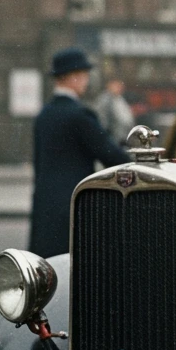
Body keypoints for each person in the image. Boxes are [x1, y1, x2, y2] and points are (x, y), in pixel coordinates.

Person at [30, 48, 128, 257]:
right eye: (84, 76)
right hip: (74, 202)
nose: (86, 82)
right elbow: (112, 156)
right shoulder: (80, 116)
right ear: (73, 77)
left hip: (45, 203)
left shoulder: (44, 115)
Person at [94, 77, 135, 144]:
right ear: (109, 85)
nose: (119, 88)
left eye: (120, 86)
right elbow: (102, 120)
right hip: (112, 138)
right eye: (116, 85)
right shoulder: (104, 100)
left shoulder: (120, 99)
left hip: (123, 137)